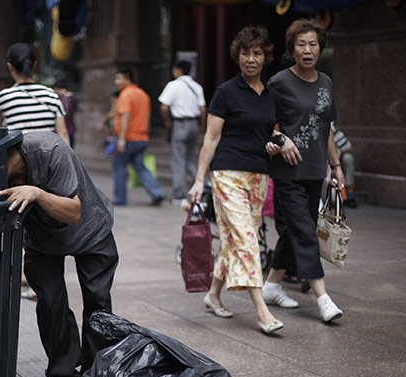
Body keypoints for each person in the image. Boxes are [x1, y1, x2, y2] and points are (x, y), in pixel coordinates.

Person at [0, 131, 118, 377]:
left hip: (90, 228)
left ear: (5, 154)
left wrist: (37, 193)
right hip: (41, 239)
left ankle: (95, 372)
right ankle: (62, 375)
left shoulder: (49, 149)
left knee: (97, 302)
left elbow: (73, 212)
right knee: (50, 302)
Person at [188, 26, 283, 335]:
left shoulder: (272, 95)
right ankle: (262, 311)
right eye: (245, 53)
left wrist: (280, 143)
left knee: (234, 238)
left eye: (257, 53)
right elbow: (211, 139)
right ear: (237, 56)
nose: (250, 59)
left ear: (265, 57)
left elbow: (273, 132)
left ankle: (213, 294)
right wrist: (199, 179)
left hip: (258, 174)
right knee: (246, 240)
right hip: (227, 173)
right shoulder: (225, 92)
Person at [263, 18, 344, 323]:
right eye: (301, 44)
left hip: (315, 170)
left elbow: (328, 129)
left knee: (295, 231)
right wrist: (280, 141)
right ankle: (323, 297)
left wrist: (335, 166)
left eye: (313, 44)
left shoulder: (326, 82)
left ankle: (271, 285)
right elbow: (268, 125)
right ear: (291, 49)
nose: (307, 50)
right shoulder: (279, 82)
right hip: (287, 171)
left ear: (320, 48)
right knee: (305, 232)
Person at [0, 43, 70, 145]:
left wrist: (13, 88)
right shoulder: (51, 95)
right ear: (35, 65)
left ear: (10, 67)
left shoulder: (6, 96)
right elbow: (63, 132)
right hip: (48, 156)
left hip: (19, 156)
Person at [112, 68, 165, 206]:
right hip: (142, 137)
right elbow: (146, 117)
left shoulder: (125, 95)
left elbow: (125, 116)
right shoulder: (143, 94)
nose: (116, 82)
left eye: (118, 78)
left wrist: (122, 139)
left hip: (128, 138)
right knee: (140, 167)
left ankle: (120, 198)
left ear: (127, 79)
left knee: (119, 167)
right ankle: (156, 192)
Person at [159, 60, 207, 203]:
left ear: (178, 70)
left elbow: (163, 107)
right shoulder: (196, 86)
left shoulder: (173, 85)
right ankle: (202, 186)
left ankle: (179, 193)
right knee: (188, 157)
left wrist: (167, 121)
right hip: (194, 123)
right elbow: (203, 109)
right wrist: (202, 125)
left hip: (180, 124)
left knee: (178, 159)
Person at [331, 122, 357, 208]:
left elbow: (348, 147)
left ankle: (349, 195)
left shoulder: (331, 128)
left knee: (348, 158)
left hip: (335, 161)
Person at [55, 82, 77, 148]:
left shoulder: (57, 97)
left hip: (60, 129)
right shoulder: (73, 97)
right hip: (71, 128)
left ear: (56, 89)